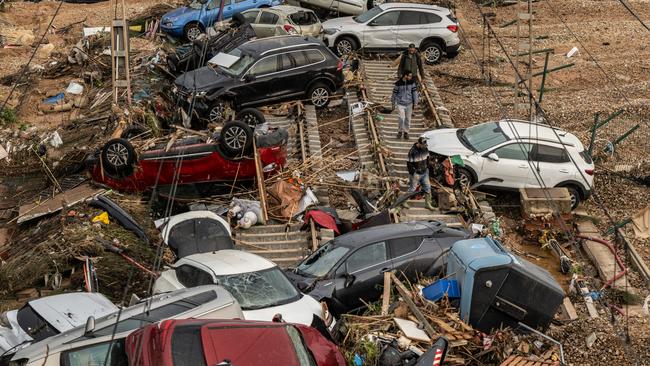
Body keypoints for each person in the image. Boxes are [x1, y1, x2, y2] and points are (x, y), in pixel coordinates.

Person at [406, 137, 435, 211]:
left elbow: (428, 159)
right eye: (423, 145)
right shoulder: (412, 151)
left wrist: (428, 168)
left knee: (428, 188)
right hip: (416, 174)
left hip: (425, 172)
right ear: (419, 144)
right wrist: (413, 173)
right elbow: (409, 164)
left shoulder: (425, 149)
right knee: (412, 188)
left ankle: (427, 204)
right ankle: (403, 201)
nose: (424, 147)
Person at [391, 71, 419, 140]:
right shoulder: (398, 83)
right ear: (405, 76)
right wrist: (393, 103)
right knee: (401, 118)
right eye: (409, 76)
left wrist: (415, 103)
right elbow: (394, 94)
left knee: (408, 119)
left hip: (409, 104)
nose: (410, 77)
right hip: (400, 104)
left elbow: (414, 93)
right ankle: (400, 131)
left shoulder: (412, 83)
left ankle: (406, 132)